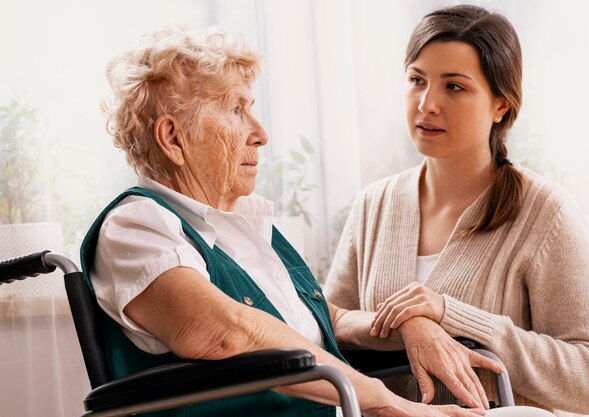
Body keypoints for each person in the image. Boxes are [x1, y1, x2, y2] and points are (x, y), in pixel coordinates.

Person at [80, 26, 505, 417]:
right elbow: (222, 332)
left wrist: (413, 327)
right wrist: (389, 405)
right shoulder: (137, 225)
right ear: (173, 138)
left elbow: (324, 321)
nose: (260, 133)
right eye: (235, 110)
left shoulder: (241, 225)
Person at [324, 5, 589, 416]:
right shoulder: (374, 204)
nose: (427, 104)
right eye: (416, 80)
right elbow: (326, 328)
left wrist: (451, 314)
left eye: (454, 87)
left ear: (501, 104)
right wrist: (412, 324)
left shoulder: (547, 214)